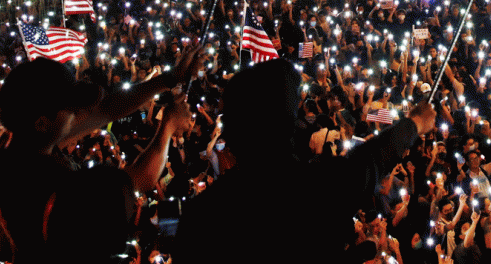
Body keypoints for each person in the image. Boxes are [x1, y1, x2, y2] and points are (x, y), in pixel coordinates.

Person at [173, 58, 436, 263]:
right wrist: (415, 123)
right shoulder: (315, 188)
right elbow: (370, 160)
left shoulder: (199, 217)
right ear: (289, 125)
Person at [0, 46, 204, 263]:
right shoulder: (46, 182)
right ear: (42, 123)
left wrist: (169, 79)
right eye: (70, 109)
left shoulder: (13, 146)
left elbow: (108, 109)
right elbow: (141, 177)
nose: (78, 114)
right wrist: (168, 126)